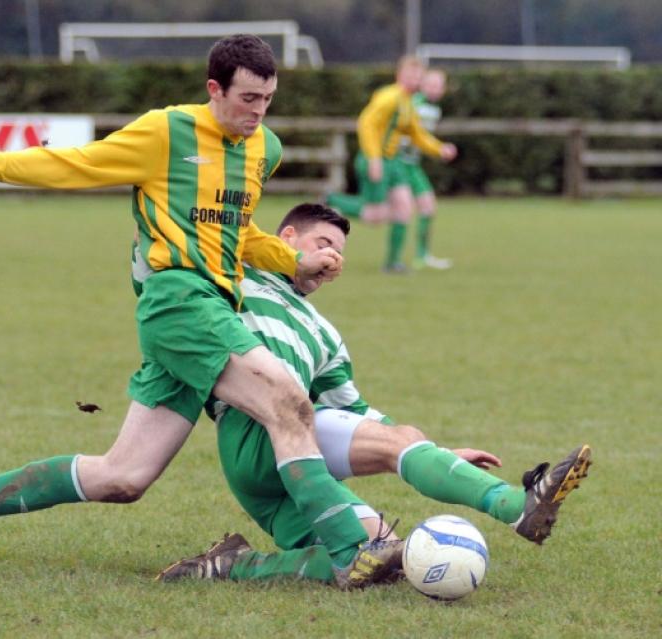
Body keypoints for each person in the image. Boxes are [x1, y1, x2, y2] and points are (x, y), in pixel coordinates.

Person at [0, 35, 401, 588]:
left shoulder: (265, 148)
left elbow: (236, 234)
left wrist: (295, 260)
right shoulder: (167, 131)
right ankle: (352, 548)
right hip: (179, 301)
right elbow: (74, 163)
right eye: (247, 99)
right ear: (214, 89)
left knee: (123, 477)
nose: (258, 112)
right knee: (287, 401)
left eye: (267, 99)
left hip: (214, 309)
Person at [156, 203, 592, 584]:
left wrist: (433, 454)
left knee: (385, 559)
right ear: (286, 237)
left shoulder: (323, 333)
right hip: (254, 432)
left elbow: (354, 411)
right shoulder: (235, 277)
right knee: (399, 445)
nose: (333, 259)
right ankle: (516, 506)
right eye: (324, 244)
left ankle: (234, 565)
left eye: (339, 253)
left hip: (285, 474)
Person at [326, 56, 456, 274]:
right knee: (374, 216)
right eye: (410, 75)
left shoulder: (407, 102)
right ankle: (331, 201)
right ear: (399, 75)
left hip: (393, 163)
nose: (414, 80)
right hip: (376, 159)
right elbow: (366, 124)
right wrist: (374, 158)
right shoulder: (390, 97)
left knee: (404, 208)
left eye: (418, 76)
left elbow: (416, 133)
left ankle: (393, 263)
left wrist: (439, 148)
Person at [395, 68, 453, 270]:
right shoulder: (413, 103)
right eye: (431, 85)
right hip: (397, 162)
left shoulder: (435, 110)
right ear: (422, 85)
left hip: (412, 165)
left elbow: (421, 138)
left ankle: (422, 256)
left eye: (439, 86)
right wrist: (439, 148)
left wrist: (437, 149)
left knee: (428, 207)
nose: (435, 89)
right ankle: (334, 201)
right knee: (379, 212)